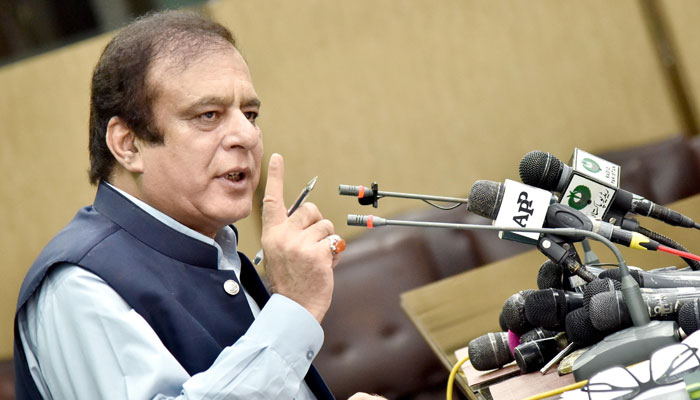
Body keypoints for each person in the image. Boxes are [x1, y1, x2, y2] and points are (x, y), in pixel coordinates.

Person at [13, 9, 385, 400]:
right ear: (128, 144)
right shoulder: (77, 285)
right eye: (208, 115)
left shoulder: (212, 250)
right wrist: (293, 306)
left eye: (250, 114)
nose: (247, 135)